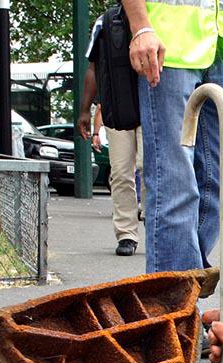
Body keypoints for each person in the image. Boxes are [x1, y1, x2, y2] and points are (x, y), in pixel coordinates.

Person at [121, 0, 223, 272]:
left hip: (220, 46)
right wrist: (141, 26)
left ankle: (183, 279)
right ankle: (174, 298)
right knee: (174, 184)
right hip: (167, 48)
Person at [78, 15, 144, 257]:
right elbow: (93, 68)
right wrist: (85, 110)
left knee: (150, 167)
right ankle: (126, 233)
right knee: (120, 172)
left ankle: (155, 220)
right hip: (118, 106)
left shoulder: (157, 14)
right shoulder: (104, 22)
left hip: (153, 102)